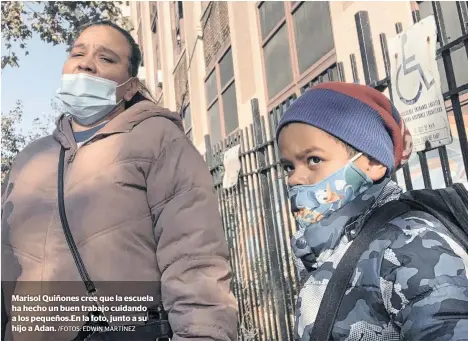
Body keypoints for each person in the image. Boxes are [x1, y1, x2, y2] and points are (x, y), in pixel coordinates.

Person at [1, 21, 237, 341]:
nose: (85, 62)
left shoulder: (159, 140)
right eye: (78, 53)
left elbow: (195, 258)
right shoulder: (30, 159)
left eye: (106, 58)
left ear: (129, 87)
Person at [276, 82, 468, 341]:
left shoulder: (410, 245)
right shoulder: (330, 247)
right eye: (288, 166)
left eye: (314, 160)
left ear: (373, 163)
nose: (294, 179)